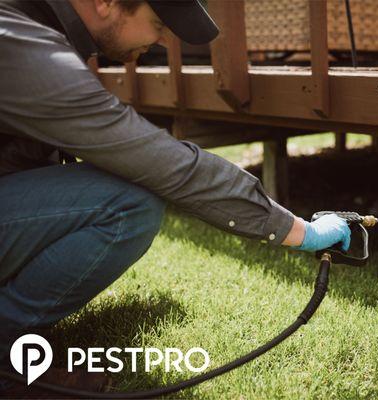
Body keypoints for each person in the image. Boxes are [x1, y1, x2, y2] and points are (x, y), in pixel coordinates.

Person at [0, 0, 351, 394]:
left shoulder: (33, 23)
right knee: (128, 203)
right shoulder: (16, 42)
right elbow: (157, 161)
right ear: (105, 3)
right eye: (158, 24)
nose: (164, 42)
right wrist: (298, 230)